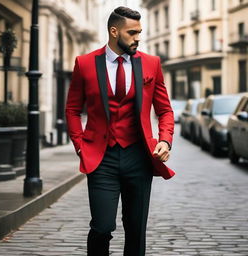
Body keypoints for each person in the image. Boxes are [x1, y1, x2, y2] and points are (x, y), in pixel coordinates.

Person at [65, 6, 175, 256]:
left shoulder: (151, 63)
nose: (138, 38)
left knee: (136, 230)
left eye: (140, 32)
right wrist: (80, 146)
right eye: (132, 32)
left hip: (139, 157)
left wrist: (165, 141)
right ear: (114, 31)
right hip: (101, 159)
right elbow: (72, 110)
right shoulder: (85, 64)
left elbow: (165, 110)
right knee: (102, 227)